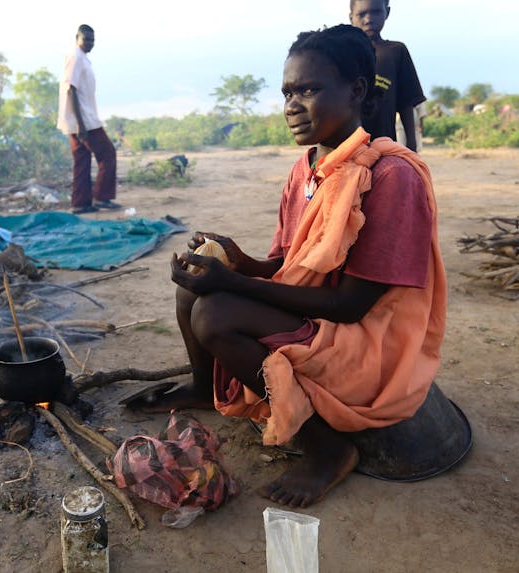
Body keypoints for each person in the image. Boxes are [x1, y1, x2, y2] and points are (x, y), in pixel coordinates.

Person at [130, 24, 446, 508]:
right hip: (321, 316)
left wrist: (234, 282)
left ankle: (328, 448)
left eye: (309, 89)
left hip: (367, 342)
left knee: (215, 314)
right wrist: (242, 261)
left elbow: (350, 304)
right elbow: (286, 265)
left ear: (357, 90)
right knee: (192, 291)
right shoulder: (307, 168)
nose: (292, 105)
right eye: (287, 93)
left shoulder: (390, 176)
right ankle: (201, 385)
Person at [57, 24, 121, 214]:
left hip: (78, 120)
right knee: (108, 154)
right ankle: (102, 197)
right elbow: (71, 89)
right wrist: (81, 125)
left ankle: (81, 203)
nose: (91, 43)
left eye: (93, 40)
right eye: (87, 39)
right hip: (83, 121)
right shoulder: (75, 57)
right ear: (77, 38)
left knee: (82, 160)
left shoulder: (82, 58)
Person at [350, 0, 425, 151]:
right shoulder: (343, 53)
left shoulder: (396, 51)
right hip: (349, 147)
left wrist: (412, 145)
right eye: (361, 14)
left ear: (387, 12)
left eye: (376, 12)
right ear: (351, 17)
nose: (369, 19)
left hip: (384, 146)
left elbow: (406, 102)